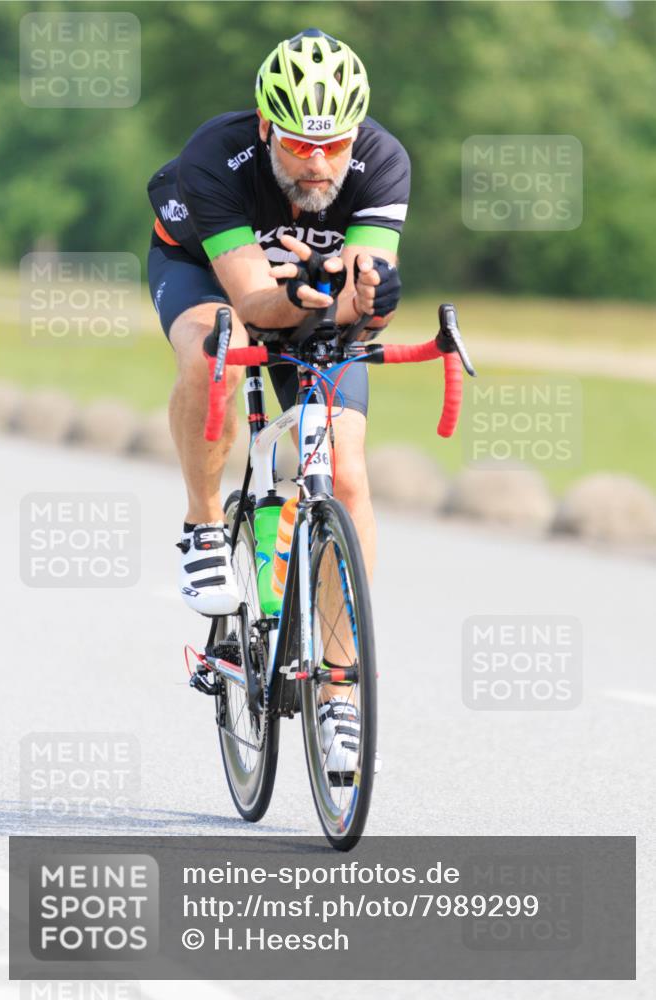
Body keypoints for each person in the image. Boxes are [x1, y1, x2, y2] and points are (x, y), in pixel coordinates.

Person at [147, 27, 410, 772]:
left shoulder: (382, 161)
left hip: (307, 298)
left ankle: (337, 691)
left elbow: (366, 284)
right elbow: (256, 302)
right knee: (215, 353)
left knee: (349, 476)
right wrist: (302, 293)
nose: (319, 162)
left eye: (334, 145)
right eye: (298, 145)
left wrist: (371, 296)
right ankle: (203, 526)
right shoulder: (215, 155)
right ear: (266, 127)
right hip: (206, 273)